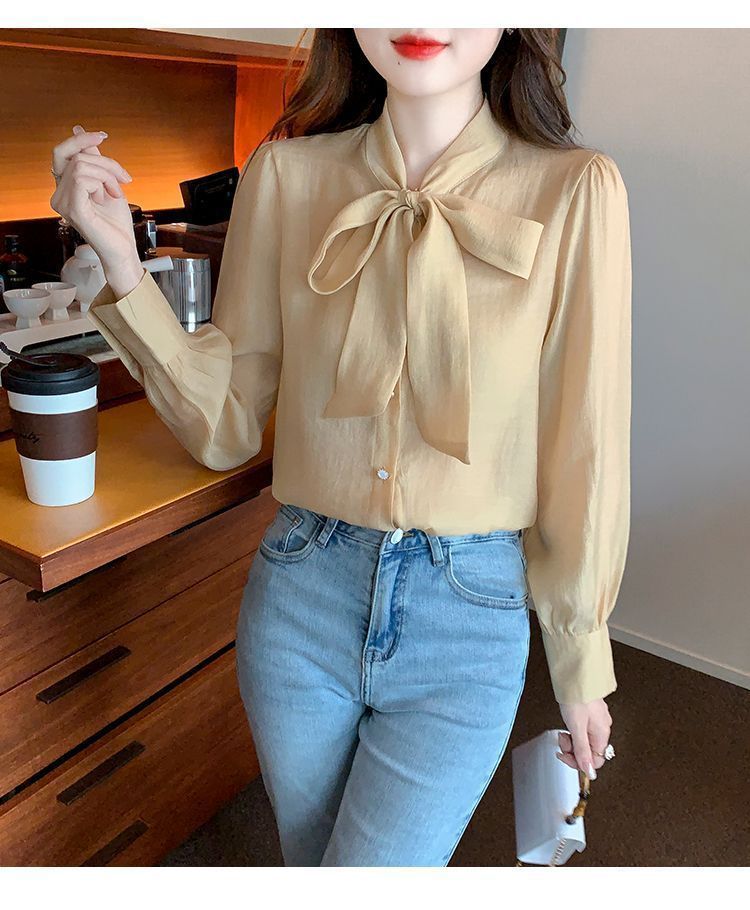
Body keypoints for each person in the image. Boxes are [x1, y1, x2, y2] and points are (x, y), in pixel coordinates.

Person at [49, 28, 631, 866]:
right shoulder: (285, 177)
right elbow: (227, 425)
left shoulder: (576, 191)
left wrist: (580, 654)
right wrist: (120, 262)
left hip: (467, 618)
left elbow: (586, 446)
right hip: (300, 598)